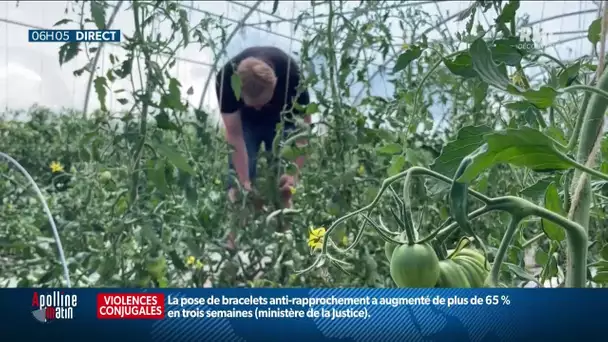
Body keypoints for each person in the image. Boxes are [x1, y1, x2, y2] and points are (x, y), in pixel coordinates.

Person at [215, 46, 311, 247]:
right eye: (252, 103)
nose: (258, 107)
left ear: (275, 83)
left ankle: (286, 243)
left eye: (261, 101)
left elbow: (304, 131)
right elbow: (234, 134)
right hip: (245, 124)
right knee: (237, 188)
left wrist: (293, 173)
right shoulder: (226, 79)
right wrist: (244, 181)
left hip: (283, 118)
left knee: (283, 183)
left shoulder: (292, 75)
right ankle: (231, 246)